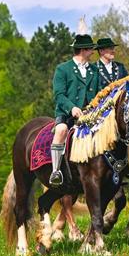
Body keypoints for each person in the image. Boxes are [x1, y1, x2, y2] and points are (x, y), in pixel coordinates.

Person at [50, 24, 100, 186]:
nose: (93, 52)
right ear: (84, 50)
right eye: (91, 49)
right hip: (67, 114)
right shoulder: (63, 69)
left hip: (91, 115)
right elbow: (59, 95)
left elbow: (100, 92)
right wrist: (72, 108)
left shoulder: (94, 70)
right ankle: (56, 170)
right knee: (61, 130)